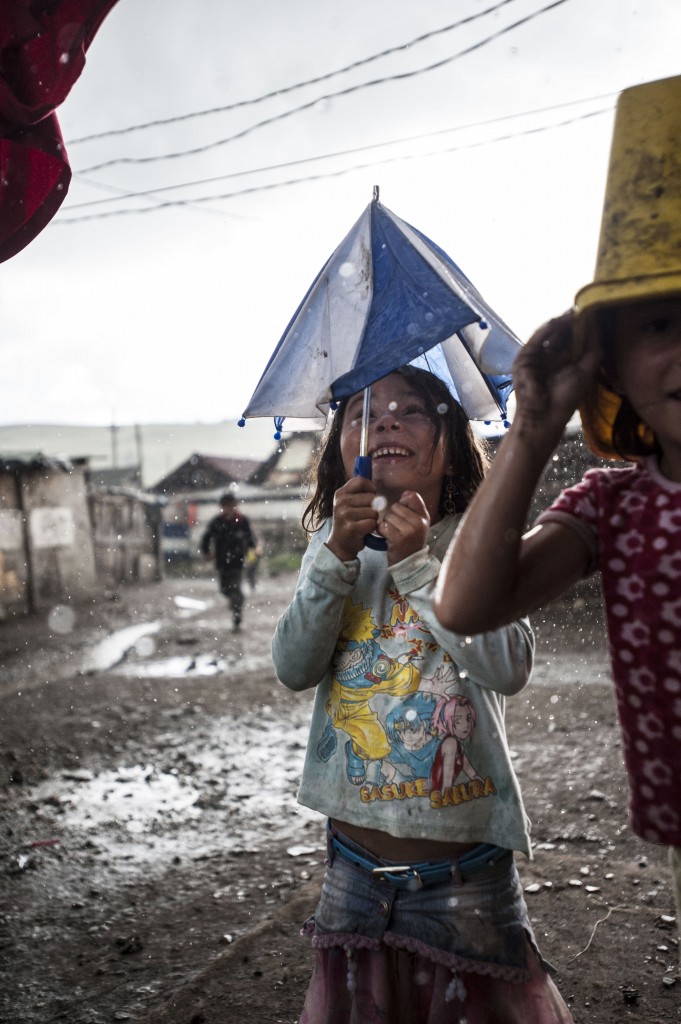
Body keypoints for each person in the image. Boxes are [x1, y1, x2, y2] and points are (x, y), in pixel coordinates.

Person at [433, 74, 681, 970]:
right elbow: (464, 606)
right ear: (609, 357)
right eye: (661, 322)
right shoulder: (617, 507)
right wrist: (533, 427)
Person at [272, 365, 574, 1023]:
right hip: (353, 868)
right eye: (362, 411)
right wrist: (335, 560)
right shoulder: (330, 547)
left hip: (465, 873)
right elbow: (294, 666)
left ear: (450, 443)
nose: (382, 419)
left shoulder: (474, 543)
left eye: (410, 409)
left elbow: (508, 666)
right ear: (338, 449)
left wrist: (416, 567)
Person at [201, 492, 256, 631]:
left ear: (235, 505)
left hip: (237, 561)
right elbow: (206, 538)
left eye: (231, 505)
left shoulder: (242, 521)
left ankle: (237, 617)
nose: (228, 508)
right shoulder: (217, 522)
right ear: (221, 507)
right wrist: (206, 552)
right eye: (225, 506)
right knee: (224, 589)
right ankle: (236, 600)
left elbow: (250, 540)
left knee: (235, 587)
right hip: (221, 561)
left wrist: (251, 553)